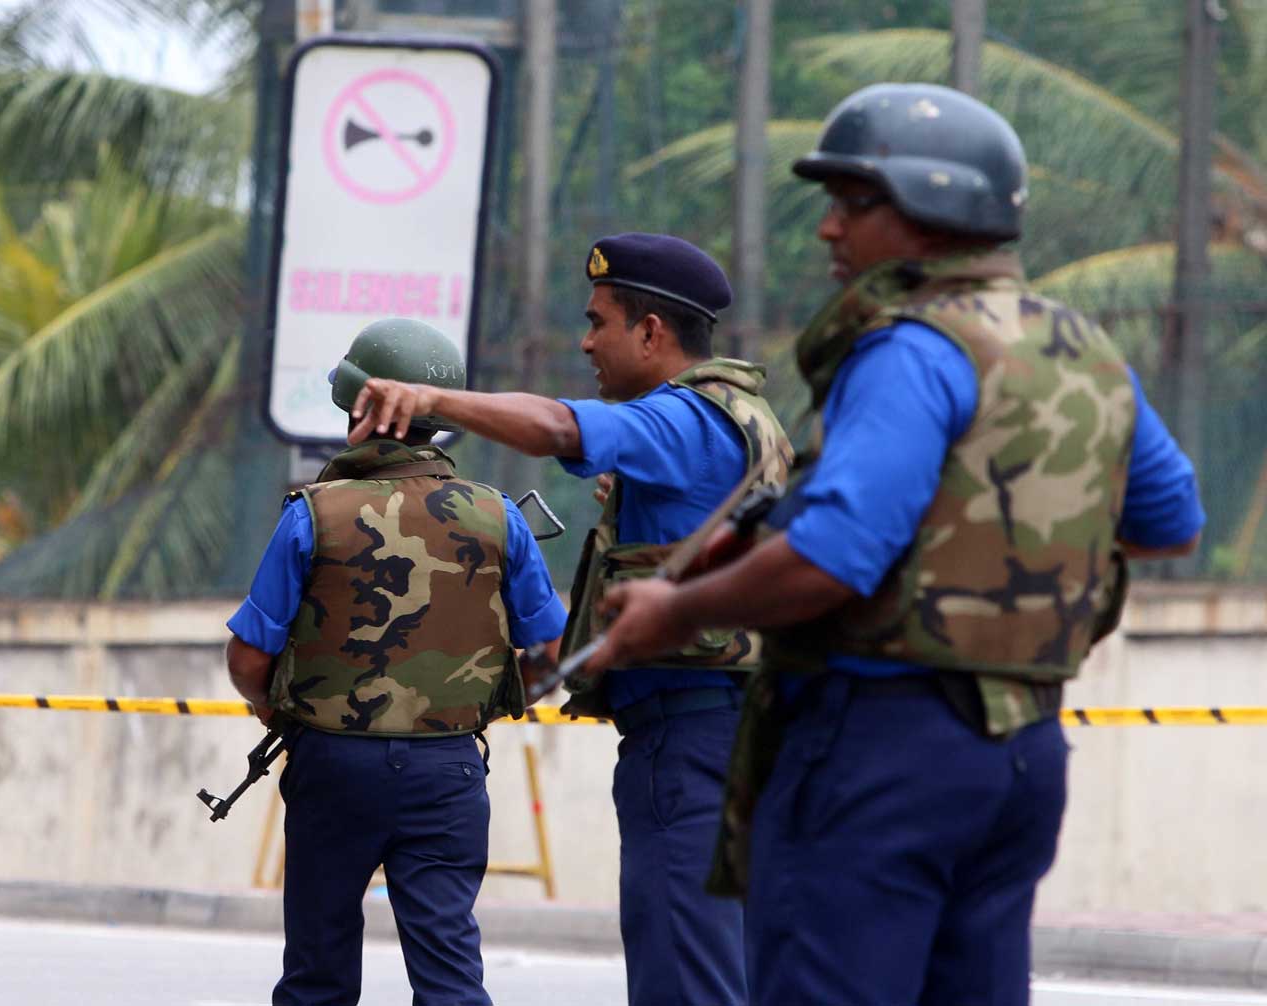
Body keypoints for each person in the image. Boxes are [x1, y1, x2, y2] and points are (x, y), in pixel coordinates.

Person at [586, 83, 1206, 1005]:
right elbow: (1169, 522)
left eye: (853, 204)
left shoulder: (910, 349)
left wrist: (675, 609)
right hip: (1022, 752)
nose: (831, 231)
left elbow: (831, 555)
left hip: (882, 752)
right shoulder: (1081, 346)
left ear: (933, 209)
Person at [348, 234, 792, 1006]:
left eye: (598, 322)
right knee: (741, 972)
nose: (585, 342)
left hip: (691, 741)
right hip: (751, 733)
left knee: (684, 976)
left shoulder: (681, 418)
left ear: (651, 331)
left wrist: (431, 401)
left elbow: (559, 429)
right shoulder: (749, 417)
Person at [225, 317, 567, 1006]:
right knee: (448, 975)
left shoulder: (314, 514)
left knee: (317, 972)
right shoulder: (497, 515)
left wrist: (281, 712)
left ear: (358, 409)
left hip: (331, 763)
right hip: (448, 767)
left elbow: (247, 655)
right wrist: (486, 703)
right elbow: (553, 651)